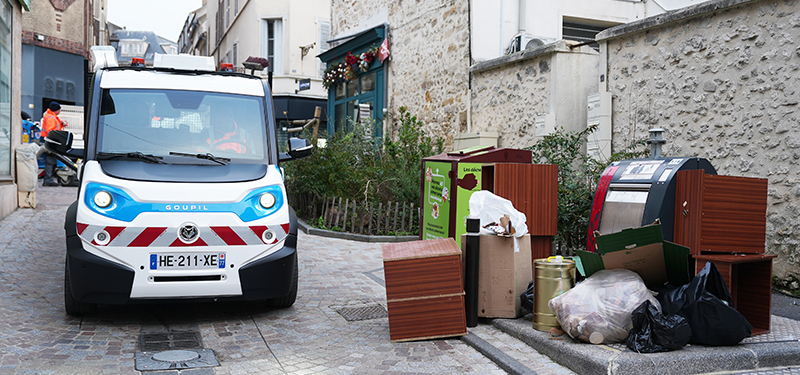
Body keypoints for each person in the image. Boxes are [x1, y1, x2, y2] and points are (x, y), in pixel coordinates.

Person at [41, 101, 67, 186]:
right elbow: (51, 131)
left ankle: (49, 180)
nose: (60, 111)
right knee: (50, 161)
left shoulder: (52, 117)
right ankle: (48, 180)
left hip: (50, 141)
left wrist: (64, 123)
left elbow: (57, 126)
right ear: (56, 110)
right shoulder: (51, 118)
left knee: (52, 161)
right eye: (59, 109)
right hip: (50, 142)